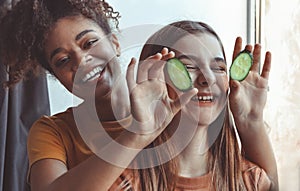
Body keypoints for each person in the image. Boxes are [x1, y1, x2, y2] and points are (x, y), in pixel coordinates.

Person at [0, 0, 197, 190]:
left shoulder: (169, 108)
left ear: (115, 43)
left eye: (89, 43)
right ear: (57, 77)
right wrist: (136, 134)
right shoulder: (53, 132)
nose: (82, 61)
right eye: (63, 60)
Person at [138, 20, 278, 190]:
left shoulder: (251, 180)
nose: (208, 79)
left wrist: (252, 118)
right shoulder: (127, 182)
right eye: (188, 66)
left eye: (219, 68)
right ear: (153, 78)